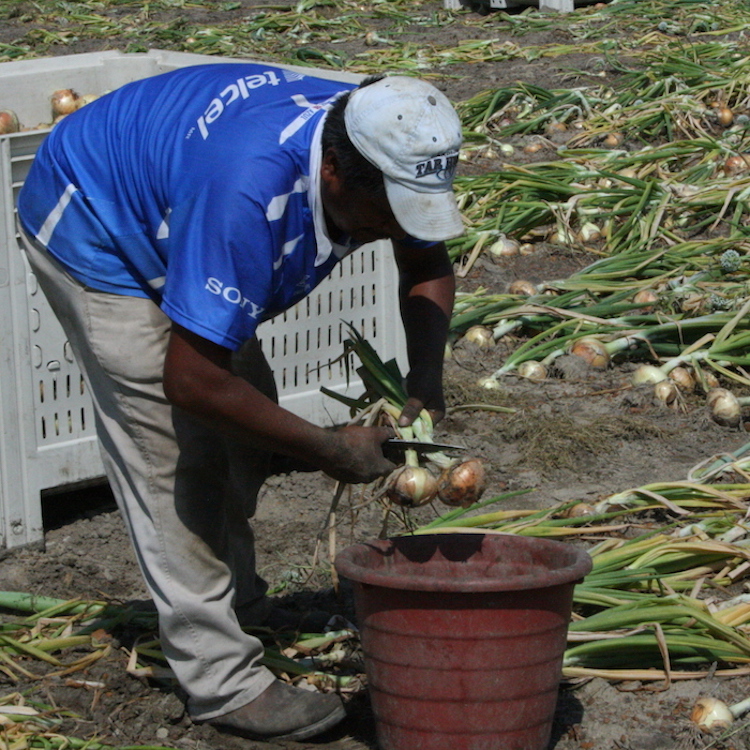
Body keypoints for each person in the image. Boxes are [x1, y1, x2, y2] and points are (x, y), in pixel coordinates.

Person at [16, 63, 463, 741]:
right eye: (390, 213)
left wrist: (424, 385)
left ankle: (241, 602)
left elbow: (427, 264)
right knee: (175, 455)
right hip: (97, 216)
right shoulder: (248, 193)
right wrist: (327, 449)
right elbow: (189, 382)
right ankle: (220, 680)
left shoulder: (388, 142)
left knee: (249, 422)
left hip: (183, 202)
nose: (400, 228)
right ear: (335, 173)